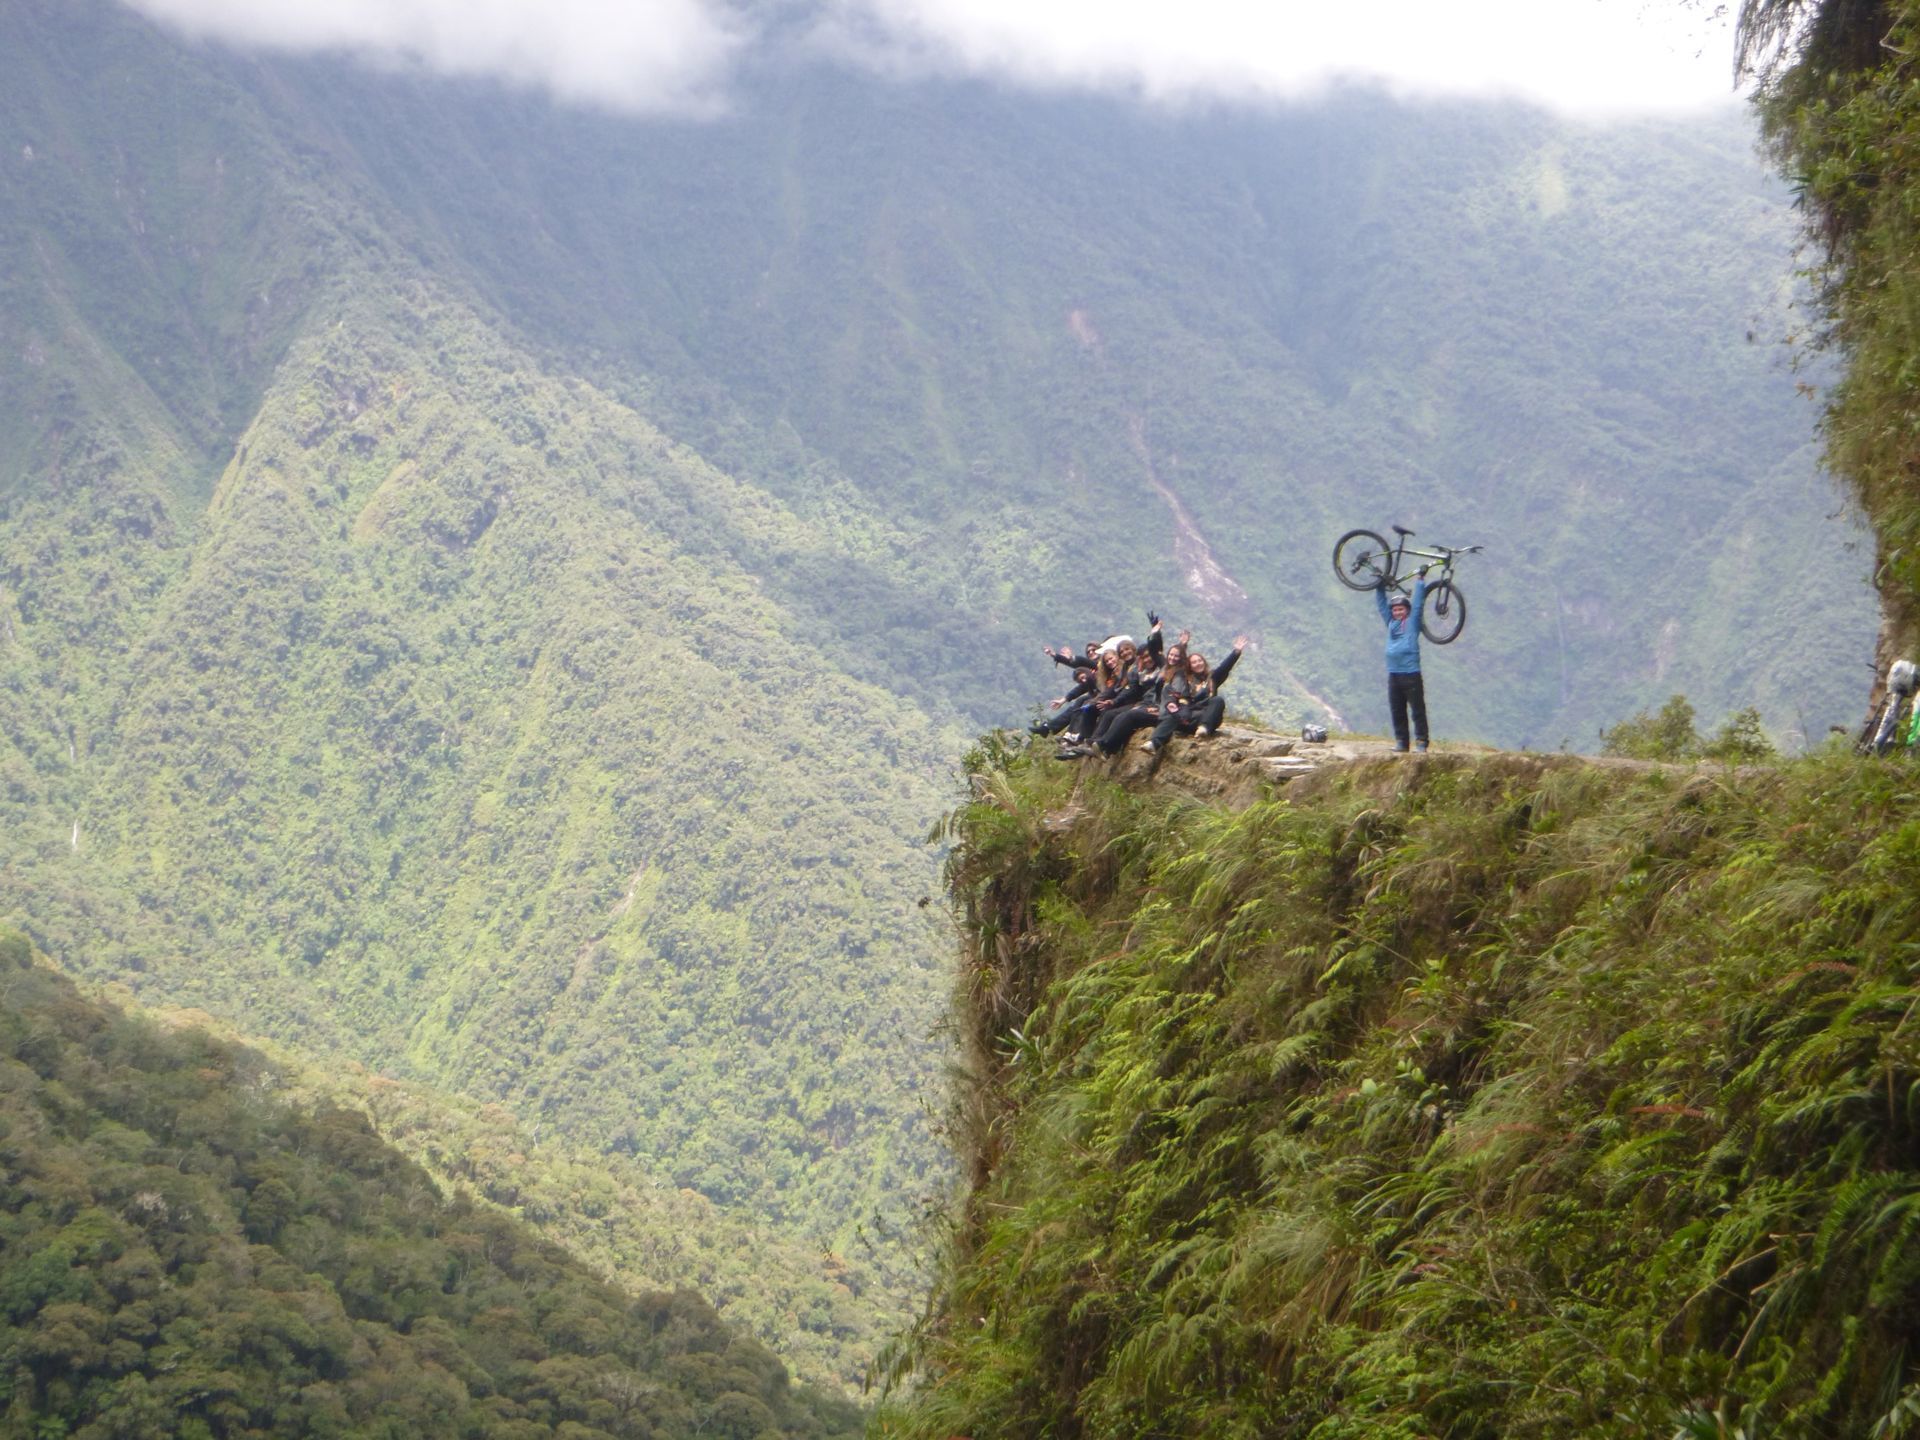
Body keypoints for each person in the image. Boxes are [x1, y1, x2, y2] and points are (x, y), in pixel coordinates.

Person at [1147, 638, 1246, 753]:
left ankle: (1204, 728)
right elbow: (1171, 663)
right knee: (1174, 714)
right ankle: (1154, 743)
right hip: (1190, 716)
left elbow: (1224, 667)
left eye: (1199, 661)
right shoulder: (1186, 680)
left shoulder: (1212, 678)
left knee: (1218, 700)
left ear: (1204, 662)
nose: (1197, 663)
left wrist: (1236, 652)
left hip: (1208, 717)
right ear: (1190, 666)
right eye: (1194, 662)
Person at [1375, 573, 1429, 752]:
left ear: (1407, 610)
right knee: (1397, 710)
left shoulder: (1412, 622)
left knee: (1417, 710)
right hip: (1394, 674)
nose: (1397, 612)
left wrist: (1420, 581)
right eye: (1395, 610)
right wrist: (1378, 585)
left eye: (1401, 609)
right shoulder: (1390, 623)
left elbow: (1419, 603)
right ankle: (1401, 743)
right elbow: (1382, 606)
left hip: (1411, 674)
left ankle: (1421, 742)